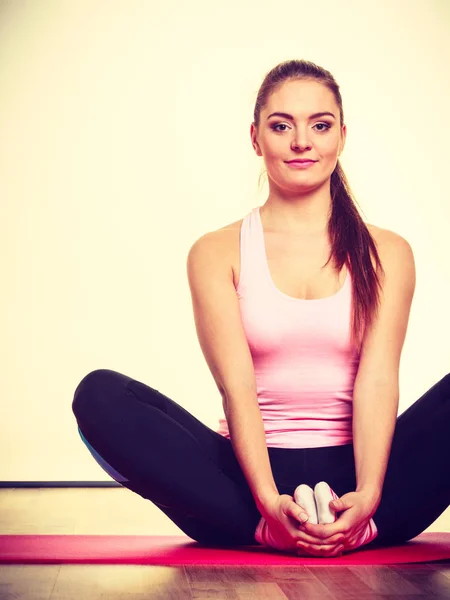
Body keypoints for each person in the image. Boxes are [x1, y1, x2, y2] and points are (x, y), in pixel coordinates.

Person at [72, 59, 450, 558]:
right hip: (247, 482)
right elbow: (238, 387)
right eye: (281, 126)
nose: (301, 142)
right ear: (256, 138)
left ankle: (365, 525)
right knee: (98, 395)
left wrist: (370, 496)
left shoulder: (388, 252)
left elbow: (378, 378)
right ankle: (261, 529)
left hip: (365, 475)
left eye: (320, 125)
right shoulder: (216, 251)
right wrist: (268, 504)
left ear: (341, 136)